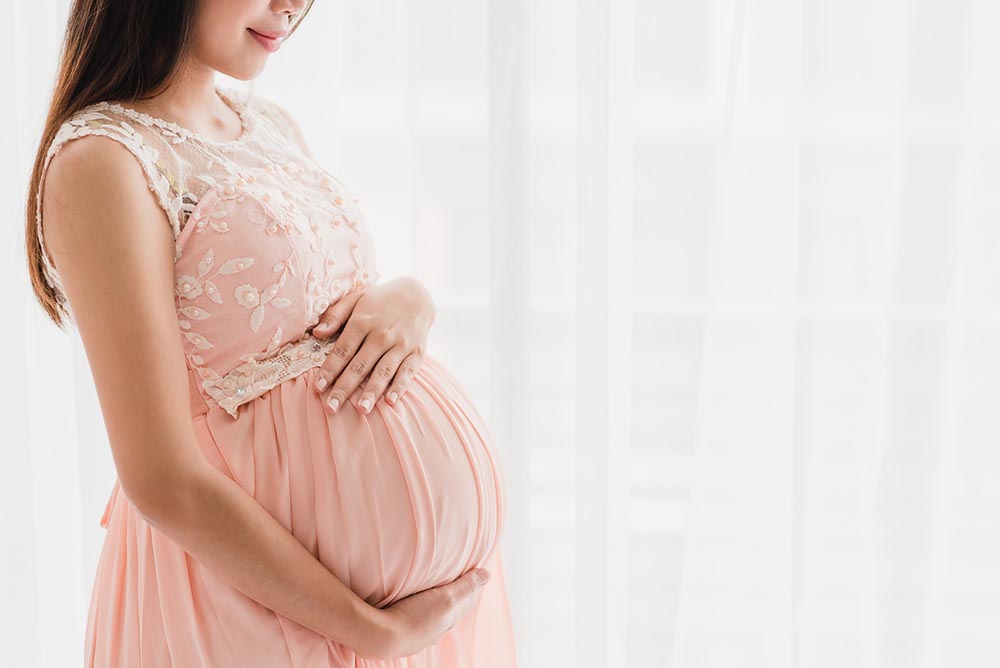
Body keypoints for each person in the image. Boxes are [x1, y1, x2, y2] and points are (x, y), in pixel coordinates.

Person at [25, 1, 517, 665]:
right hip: (251, 612)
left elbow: (319, 307)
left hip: (376, 623)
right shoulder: (102, 162)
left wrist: (410, 300)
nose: (292, 5)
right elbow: (160, 477)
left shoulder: (269, 125)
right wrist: (370, 630)